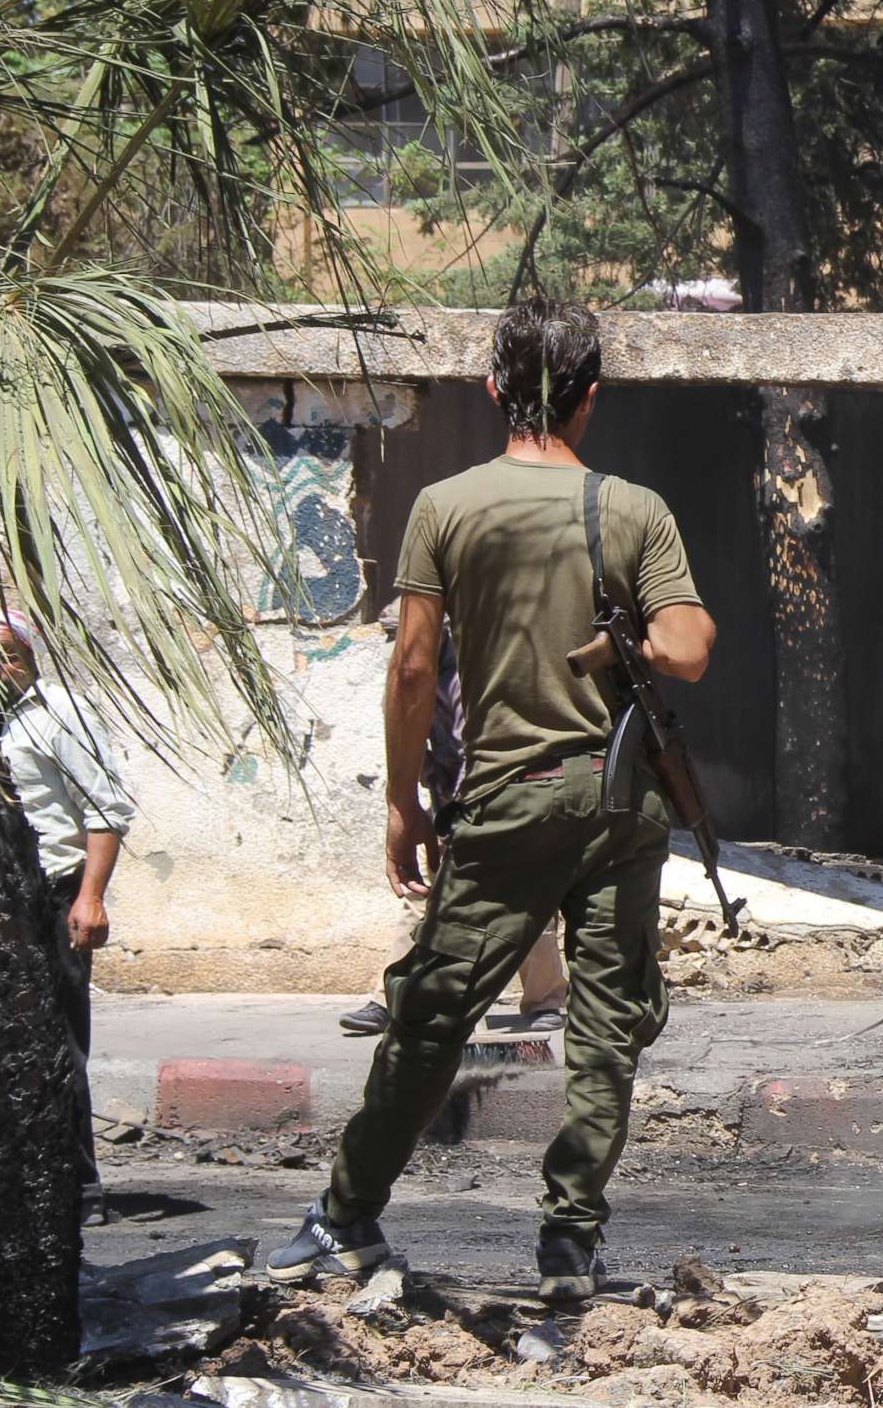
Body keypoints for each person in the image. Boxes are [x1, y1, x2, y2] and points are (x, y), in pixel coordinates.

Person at [269, 299, 715, 1301]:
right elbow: (687, 647)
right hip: (619, 808)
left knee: (431, 1013)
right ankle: (570, 1240)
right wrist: (627, 647)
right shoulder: (635, 510)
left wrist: (401, 800)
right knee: (606, 1027)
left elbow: (415, 668)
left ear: (492, 392)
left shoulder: (447, 505)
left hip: (508, 802)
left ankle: (345, 1218)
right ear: (591, 399)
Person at [338, 602, 567, 1038]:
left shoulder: (482, 668)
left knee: (527, 899)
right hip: (450, 802)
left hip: (506, 799)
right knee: (423, 897)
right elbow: (415, 740)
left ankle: (545, 999)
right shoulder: (415, 679)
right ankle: (391, 999)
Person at [0, 611, 137, 1230]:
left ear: (30, 655)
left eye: (9, 654)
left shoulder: (57, 713)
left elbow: (105, 808)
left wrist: (91, 897)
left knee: (59, 1041)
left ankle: (81, 1186)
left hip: (52, 896)